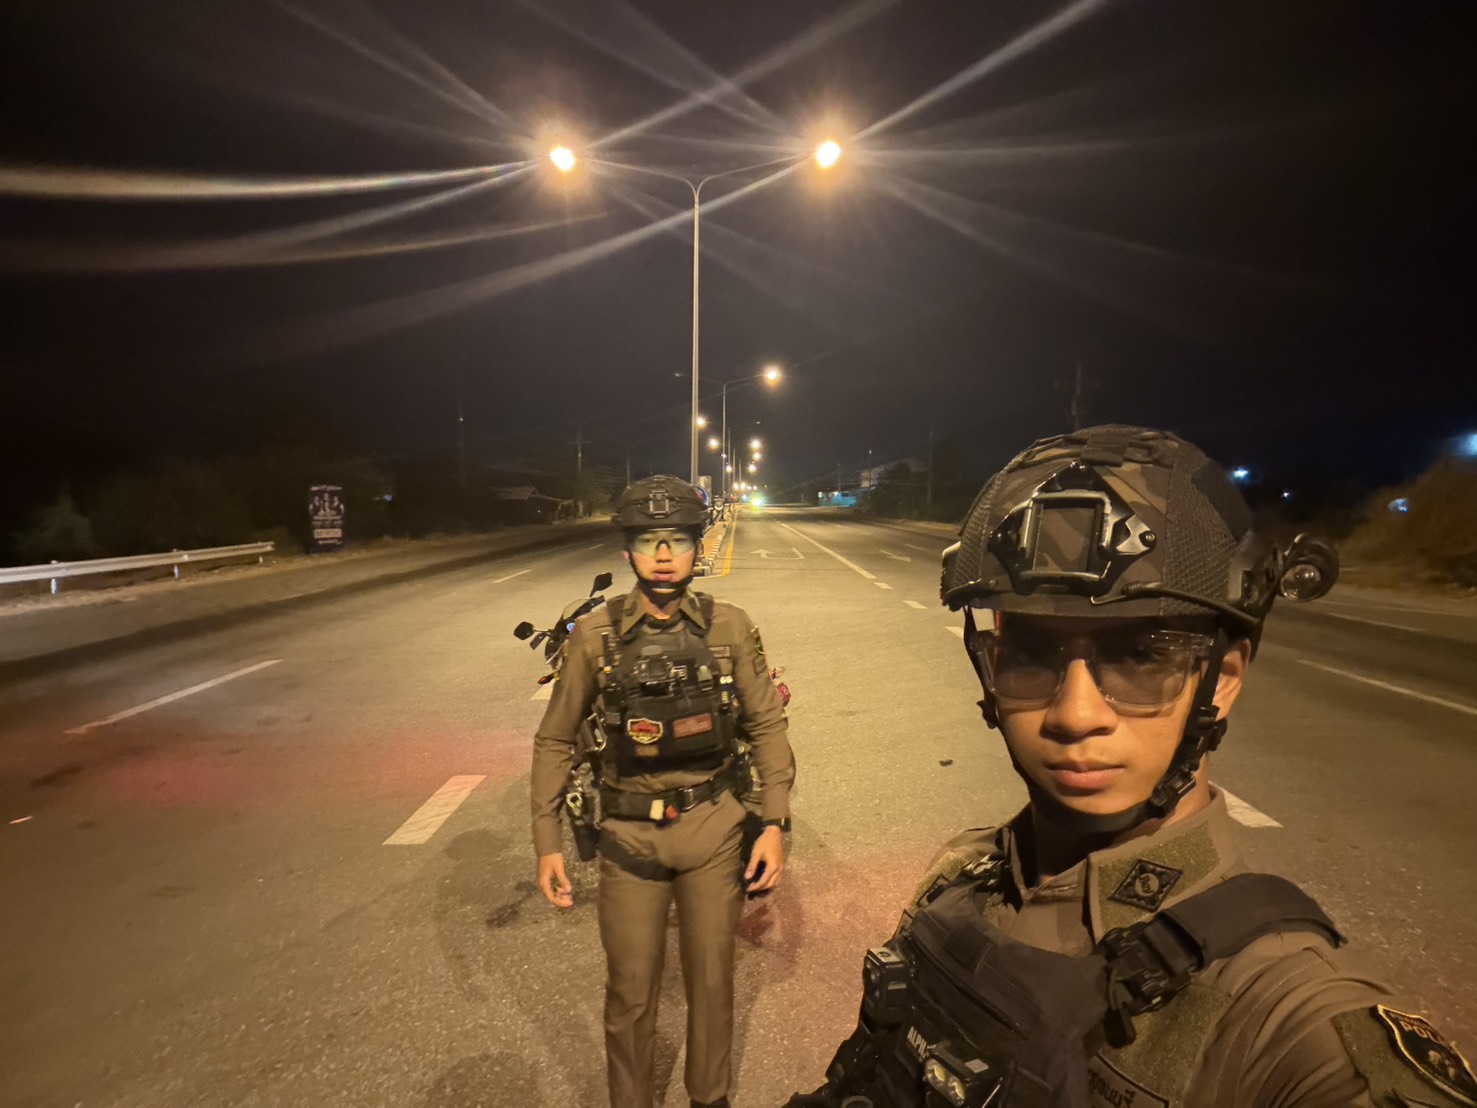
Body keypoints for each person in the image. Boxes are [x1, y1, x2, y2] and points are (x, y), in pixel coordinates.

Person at [789, 425, 1475, 1107]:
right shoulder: (962, 874)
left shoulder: (1285, 1011)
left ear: (1222, 679)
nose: (1075, 714)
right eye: (1031, 654)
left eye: (1141, 656)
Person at [532, 474, 795, 1108]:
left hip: (712, 830)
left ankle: (710, 1098)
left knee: (712, 981)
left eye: (676, 540)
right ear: (628, 551)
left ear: (696, 547)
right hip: (628, 840)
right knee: (629, 991)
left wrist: (774, 823)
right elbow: (555, 739)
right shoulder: (594, 636)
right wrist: (547, 841)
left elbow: (767, 724)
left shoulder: (730, 627)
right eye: (649, 541)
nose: (663, 554)